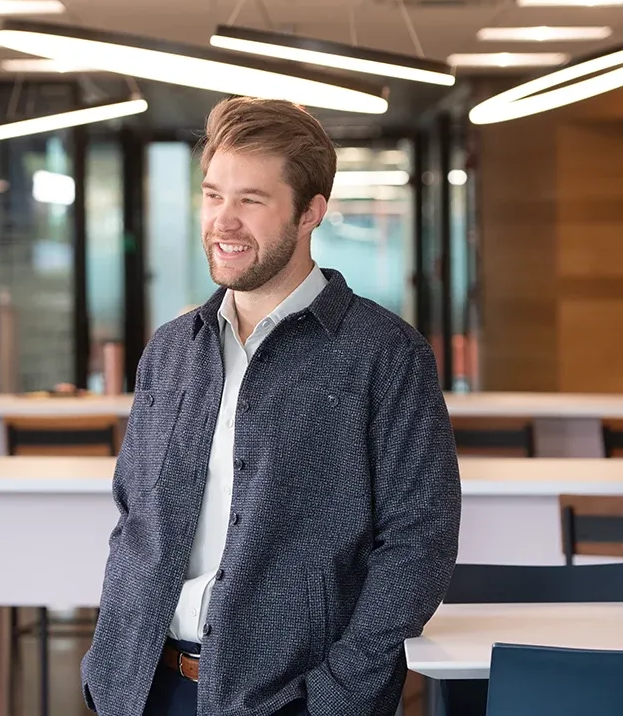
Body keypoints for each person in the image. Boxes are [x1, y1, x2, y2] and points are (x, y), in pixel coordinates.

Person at [81, 96, 461, 716]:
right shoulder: (174, 349)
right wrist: (107, 666)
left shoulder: (384, 353)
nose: (223, 222)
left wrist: (340, 695)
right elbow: (135, 520)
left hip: (294, 699)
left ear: (311, 212)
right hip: (145, 689)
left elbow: (419, 542)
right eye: (213, 196)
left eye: (251, 200)